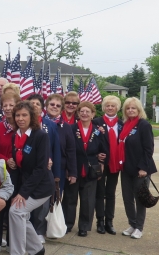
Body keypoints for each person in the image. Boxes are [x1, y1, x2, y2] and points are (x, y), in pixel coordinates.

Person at [4, 101, 53, 255]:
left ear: (32, 117)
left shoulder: (40, 136)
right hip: (25, 184)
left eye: (24, 115)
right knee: (20, 214)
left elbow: (40, 169)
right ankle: (37, 247)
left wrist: (23, 194)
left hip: (42, 187)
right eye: (17, 115)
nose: (20, 118)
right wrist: (15, 192)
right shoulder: (15, 136)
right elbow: (19, 168)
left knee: (15, 212)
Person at [65, 101, 108, 237]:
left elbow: (104, 150)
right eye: (81, 111)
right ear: (78, 113)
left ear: (93, 114)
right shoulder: (71, 129)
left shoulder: (98, 131)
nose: (84, 114)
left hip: (91, 169)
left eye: (87, 112)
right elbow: (66, 149)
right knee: (70, 198)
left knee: (88, 200)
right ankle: (67, 224)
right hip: (74, 167)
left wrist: (101, 161)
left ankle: (84, 226)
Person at [119, 97, 157, 240]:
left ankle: (139, 227)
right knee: (127, 198)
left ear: (139, 110)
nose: (130, 110)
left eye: (133, 108)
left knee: (140, 199)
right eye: (128, 108)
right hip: (126, 168)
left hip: (140, 170)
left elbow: (149, 149)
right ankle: (132, 224)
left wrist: (143, 168)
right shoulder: (125, 125)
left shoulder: (144, 125)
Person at [26, 94, 62, 242]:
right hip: (29, 170)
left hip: (46, 171)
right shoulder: (23, 124)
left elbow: (56, 149)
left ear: (42, 108)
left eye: (37, 104)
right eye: (32, 103)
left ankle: (39, 231)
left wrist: (56, 171)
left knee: (43, 204)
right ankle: (27, 232)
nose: (34, 106)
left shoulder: (51, 125)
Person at [0, 91, 21, 247]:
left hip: (20, 173)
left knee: (14, 209)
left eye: (11, 105)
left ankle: (11, 242)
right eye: (5, 105)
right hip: (2, 172)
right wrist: (5, 160)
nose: (8, 108)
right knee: (1, 206)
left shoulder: (23, 126)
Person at [93, 96, 123, 235]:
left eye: (113, 106)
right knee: (100, 192)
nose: (110, 108)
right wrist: (97, 155)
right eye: (108, 105)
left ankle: (109, 221)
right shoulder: (96, 122)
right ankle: (99, 221)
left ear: (117, 107)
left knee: (110, 193)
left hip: (115, 163)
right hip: (101, 163)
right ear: (104, 107)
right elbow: (91, 142)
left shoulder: (122, 124)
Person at [45, 93, 77, 197]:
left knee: (55, 200)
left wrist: (72, 172)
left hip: (59, 169)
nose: (54, 107)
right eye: (52, 104)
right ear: (46, 106)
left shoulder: (66, 127)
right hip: (40, 168)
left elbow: (71, 150)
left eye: (58, 106)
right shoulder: (38, 124)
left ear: (61, 109)